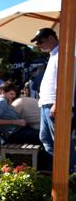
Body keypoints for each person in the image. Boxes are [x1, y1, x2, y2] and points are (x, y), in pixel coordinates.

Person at [32, 27, 76, 169]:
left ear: (51, 38)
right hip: (47, 103)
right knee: (46, 138)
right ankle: (60, 170)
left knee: (61, 141)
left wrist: (57, 103)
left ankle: (69, 172)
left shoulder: (63, 54)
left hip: (54, 103)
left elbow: (66, 81)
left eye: (41, 42)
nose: (39, 46)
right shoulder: (55, 55)